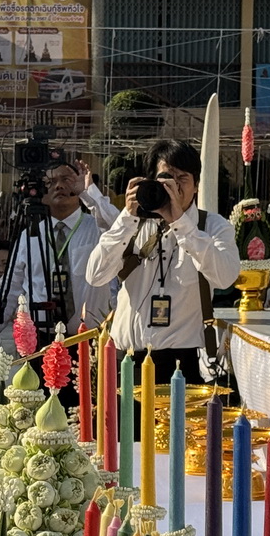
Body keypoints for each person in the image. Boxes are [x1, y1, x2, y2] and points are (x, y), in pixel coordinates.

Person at [85, 138, 241, 383]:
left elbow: (225, 277)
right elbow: (95, 275)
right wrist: (126, 217)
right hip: (128, 361)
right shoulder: (132, 223)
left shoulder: (212, 226)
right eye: (167, 178)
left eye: (182, 179)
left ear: (196, 186)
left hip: (182, 363)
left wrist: (183, 225)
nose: (173, 187)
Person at [0, 155, 114, 362]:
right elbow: (9, 290)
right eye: (50, 182)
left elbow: (124, 229)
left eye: (66, 179)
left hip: (89, 340)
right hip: (41, 342)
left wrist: (90, 194)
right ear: (41, 193)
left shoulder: (99, 229)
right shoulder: (30, 236)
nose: (59, 186)